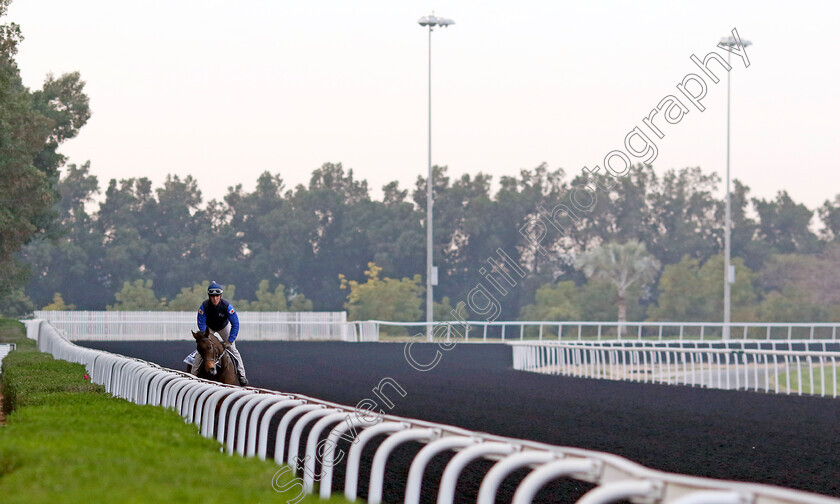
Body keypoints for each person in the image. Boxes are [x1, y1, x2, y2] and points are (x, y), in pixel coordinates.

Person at [190, 281, 249, 386]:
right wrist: (206, 336)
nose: (215, 298)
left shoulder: (227, 306)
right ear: (209, 296)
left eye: (217, 296)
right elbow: (201, 323)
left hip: (223, 327)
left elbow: (235, 324)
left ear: (220, 296)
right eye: (212, 296)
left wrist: (230, 341)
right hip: (209, 328)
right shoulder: (204, 306)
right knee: (201, 350)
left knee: (233, 349)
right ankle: (193, 375)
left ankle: (242, 375)